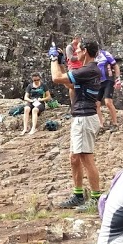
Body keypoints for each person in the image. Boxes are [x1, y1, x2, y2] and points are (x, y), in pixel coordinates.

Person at [49, 39, 102, 208]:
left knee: (86, 158)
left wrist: (53, 60)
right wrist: (62, 63)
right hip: (81, 117)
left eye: (78, 49)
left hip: (85, 118)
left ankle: (96, 198)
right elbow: (70, 84)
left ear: (85, 51)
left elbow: (56, 78)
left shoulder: (88, 70)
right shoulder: (88, 70)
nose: (75, 52)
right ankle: (78, 195)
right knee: (74, 158)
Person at [95, 49, 121, 131]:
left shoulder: (105, 54)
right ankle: (100, 124)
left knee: (108, 102)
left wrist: (117, 78)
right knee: (96, 104)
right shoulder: (91, 57)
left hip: (108, 80)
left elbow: (115, 65)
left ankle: (115, 123)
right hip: (98, 82)